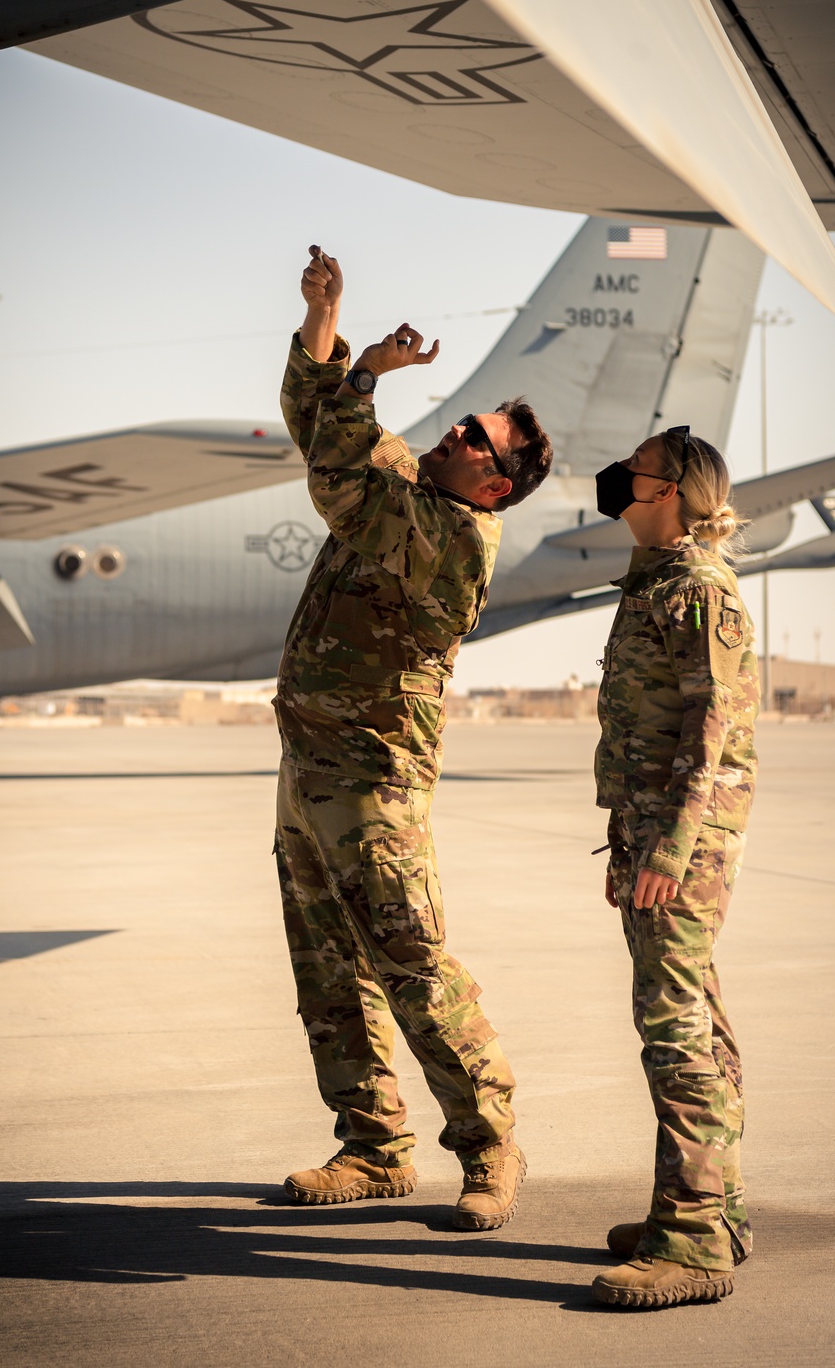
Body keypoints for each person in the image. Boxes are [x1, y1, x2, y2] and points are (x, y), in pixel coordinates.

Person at [274, 245, 553, 1230]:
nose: (455, 430)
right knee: (324, 961)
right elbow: (319, 425)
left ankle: (490, 1142)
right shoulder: (414, 486)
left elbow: (337, 479)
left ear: (497, 480)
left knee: (410, 960)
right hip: (309, 762)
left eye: (475, 435)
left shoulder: (452, 537)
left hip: (370, 780)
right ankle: (374, 1148)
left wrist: (366, 378)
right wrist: (325, 319)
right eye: (464, 420)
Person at [589, 425, 759, 1309]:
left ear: (672, 493)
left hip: (680, 839)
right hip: (653, 829)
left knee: (674, 1027)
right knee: (697, 1013)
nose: (621, 479)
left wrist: (668, 849)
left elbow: (711, 734)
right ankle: (705, 1211)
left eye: (638, 471)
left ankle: (693, 1247)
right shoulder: (657, 581)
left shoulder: (697, 589)